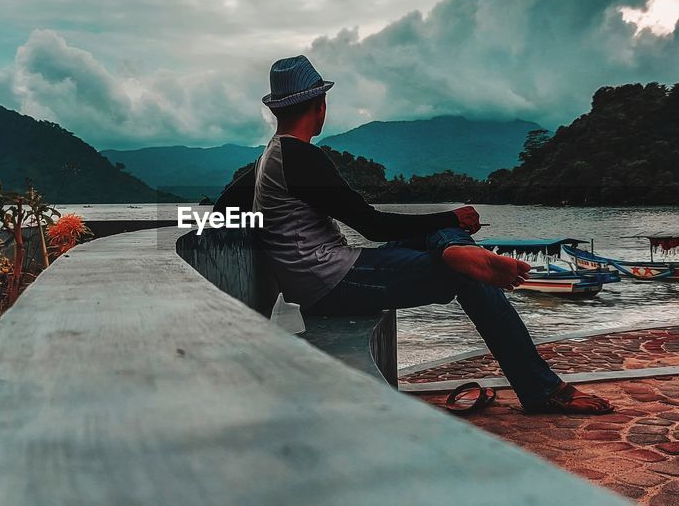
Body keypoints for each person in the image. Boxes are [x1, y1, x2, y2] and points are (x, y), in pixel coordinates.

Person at [244, 55, 612, 414]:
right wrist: (449, 215)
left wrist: (445, 223)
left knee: (448, 234)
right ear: (319, 105)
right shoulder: (300, 158)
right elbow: (372, 226)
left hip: (320, 277)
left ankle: (453, 247)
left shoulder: (272, 157)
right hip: (328, 282)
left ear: (278, 109)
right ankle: (540, 389)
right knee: (468, 274)